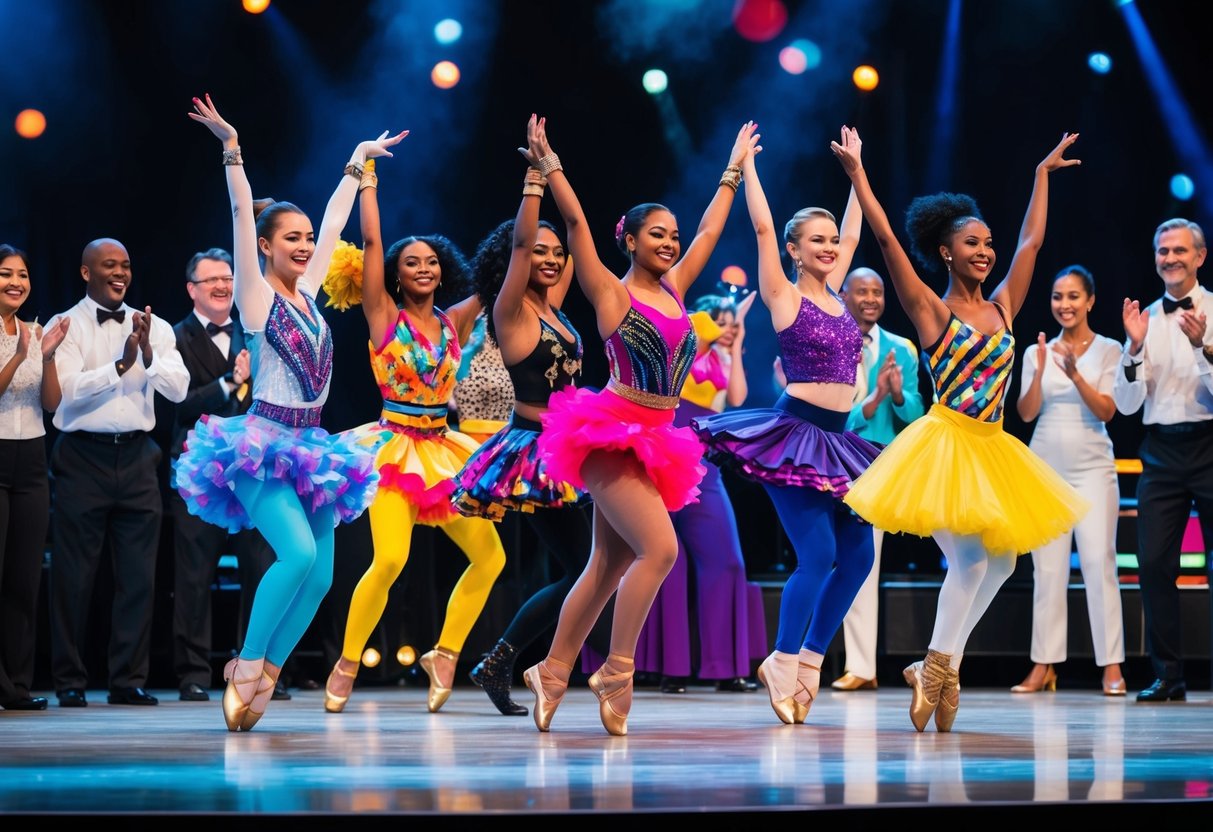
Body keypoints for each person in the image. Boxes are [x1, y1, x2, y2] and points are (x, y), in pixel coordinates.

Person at [830, 126, 1087, 731]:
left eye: (987, 243)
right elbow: (890, 240)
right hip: (943, 445)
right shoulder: (931, 309)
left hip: (993, 446)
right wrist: (859, 177)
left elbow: (1029, 241)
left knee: (999, 565)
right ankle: (940, 667)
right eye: (972, 243)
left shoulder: (1002, 307)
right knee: (970, 562)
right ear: (945, 251)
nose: (986, 251)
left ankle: (933, 666)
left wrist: (1040, 177)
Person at [520, 115, 757, 735]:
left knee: (605, 566)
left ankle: (552, 670)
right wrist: (550, 170)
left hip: (660, 436)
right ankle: (617, 670)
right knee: (662, 550)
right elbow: (574, 225)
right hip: (609, 430)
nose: (671, 243)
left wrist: (733, 170)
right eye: (658, 234)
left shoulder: (677, 289)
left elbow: (710, 227)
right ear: (630, 240)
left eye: (673, 236)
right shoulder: (610, 291)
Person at [176, 94, 394, 731]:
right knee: (296, 556)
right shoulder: (254, 297)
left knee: (323, 575)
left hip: (313, 446)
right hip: (259, 444)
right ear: (266, 249)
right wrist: (231, 149)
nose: (303, 246)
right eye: (289, 239)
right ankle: (246, 661)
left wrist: (357, 162)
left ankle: (269, 668)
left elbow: (332, 224)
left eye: (305, 240)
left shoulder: (307, 292)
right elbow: (243, 213)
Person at [693, 130, 881, 727]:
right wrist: (745, 168)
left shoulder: (839, 297)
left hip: (841, 439)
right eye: (816, 241)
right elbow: (766, 230)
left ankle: (808, 660)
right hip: (793, 437)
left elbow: (855, 232)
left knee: (858, 555)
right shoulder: (783, 296)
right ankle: (780, 656)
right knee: (819, 552)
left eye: (832, 241)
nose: (829, 247)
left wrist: (856, 173)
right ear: (797, 251)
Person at [319, 156, 508, 716]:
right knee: (391, 559)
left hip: (443, 449)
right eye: (411, 263)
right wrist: (368, 177)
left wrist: (536, 188)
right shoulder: (383, 315)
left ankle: (445, 653)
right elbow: (372, 240)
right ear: (396, 275)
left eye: (430, 261)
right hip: (394, 447)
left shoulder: (455, 320)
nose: (422, 268)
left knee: (490, 557)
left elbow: (502, 271)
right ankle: (348, 659)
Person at [451, 172, 610, 716]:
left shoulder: (555, 307)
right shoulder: (510, 311)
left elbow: (576, 225)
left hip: (571, 441)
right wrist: (533, 183)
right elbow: (523, 241)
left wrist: (559, 168)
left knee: (583, 565)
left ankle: (512, 660)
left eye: (556, 254)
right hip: (535, 452)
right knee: (584, 565)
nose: (550, 259)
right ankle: (512, 660)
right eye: (538, 253)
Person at [49, 237, 189, 708]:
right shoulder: (64, 326)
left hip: (136, 456)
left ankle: (127, 680)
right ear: (86, 272)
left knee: (138, 577)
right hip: (81, 457)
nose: (120, 273)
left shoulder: (154, 326)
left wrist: (147, 352)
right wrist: (120, 364)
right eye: (109, 265)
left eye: (126, 265)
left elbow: (178, 389)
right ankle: (68, 678)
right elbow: (65, 394)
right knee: (73, 575)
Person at [611, 292, 768, 695]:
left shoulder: (722, 357)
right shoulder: (684, 349)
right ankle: (667, 668)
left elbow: (737, 398)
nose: (729, 327)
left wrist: (739, 333)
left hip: (704, 470)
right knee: (667, 564)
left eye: (731, 322)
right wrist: (716, 322)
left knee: (728, 561)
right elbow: (693, 333)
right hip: (659, 460)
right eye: (723, 320)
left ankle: (725, 666)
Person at [166, 247, 285, 703]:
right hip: (199, 475)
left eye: (228, 278)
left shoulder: (254, 333)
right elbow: (174, 408)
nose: (222, 286)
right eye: (211, 279)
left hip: (253, 470)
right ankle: (192, 672)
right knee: (194, 577)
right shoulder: (173, 337)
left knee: (262, 570)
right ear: (191, 288)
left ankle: (254, 667)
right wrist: (229, 384)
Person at [1113, 217, 1213, 703]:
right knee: (1152, 563)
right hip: (1161, 448)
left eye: (1179, 250)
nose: (1169, 258)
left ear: (1200, 256)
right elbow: (1128, 405)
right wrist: (1133, 348)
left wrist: (1202, 348)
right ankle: (1168, 675)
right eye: (1162, 251)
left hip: (1210, 443)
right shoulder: (1145, 319)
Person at [1014, 264, 1126, 696]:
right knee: (1048, 570)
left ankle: (1112, 666)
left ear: (1090, 301)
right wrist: (1042, 369)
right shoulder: (1035, 351)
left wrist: (1076, 372)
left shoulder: (1109, 350)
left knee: (1100, 565)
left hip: (1094, 467)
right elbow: (1025, 414)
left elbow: (1107, 412)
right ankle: (1043, 665)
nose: (1064, 305)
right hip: (1046, 468)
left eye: (1073, 296)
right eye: (1058, 297)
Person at [832, 266, 926, 692]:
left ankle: (863, 666)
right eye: (862, 291)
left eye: (877, 292)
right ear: (845, 295)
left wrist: (899, 393)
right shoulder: (832, 341)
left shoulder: (901, 347)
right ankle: (850, 664)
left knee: (865, 559)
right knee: (843, 560)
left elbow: (917, 415)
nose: (870, 299)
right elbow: (830, 413)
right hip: (837, 459)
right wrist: (871, 401)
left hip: (883, 465)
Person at [0, 244, 69, 711]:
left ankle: (16, 686)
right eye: (5, 274)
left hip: (31, 458)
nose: (16, 283)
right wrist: (18, 353)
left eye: (22, 275)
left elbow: (50, 404)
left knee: (24, 580)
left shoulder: (35, 331)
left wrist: (43, 356)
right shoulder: (16, 338)